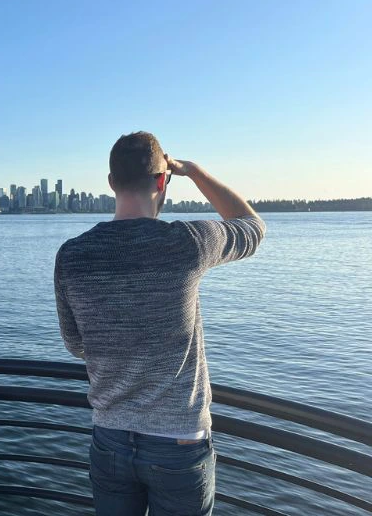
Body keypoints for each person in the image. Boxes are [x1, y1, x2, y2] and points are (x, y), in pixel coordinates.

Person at [54, 132, 265, 516]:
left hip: (110, 439)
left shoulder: (72, 255)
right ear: (162, 180)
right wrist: (196, 172)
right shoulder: (187, 241)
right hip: (180, 444)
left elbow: (76, 344)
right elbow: (252, 227)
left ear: (111, 182)